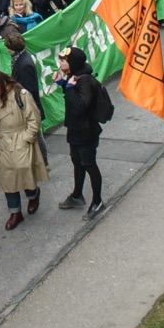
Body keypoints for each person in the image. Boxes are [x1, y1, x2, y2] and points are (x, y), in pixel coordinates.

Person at [0, 71, 46, 231]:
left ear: (3, 83)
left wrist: (26, 139)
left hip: (20, 137)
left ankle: (33, 194)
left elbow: (34, 118)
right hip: (4, 141)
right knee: (7, 178)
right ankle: (15, 212)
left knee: (24, 172)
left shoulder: (21, 94)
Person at [55, 47, 106, 221]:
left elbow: (80, 106)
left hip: (86, 131)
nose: (60, 63)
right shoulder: (73, 76)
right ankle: (77, 195)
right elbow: (73, 98)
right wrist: (63, 84)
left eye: (63, 60)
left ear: (73, 63)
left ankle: (97, 201)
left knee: (89, 164)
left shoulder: (86, 81)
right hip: (75, 130)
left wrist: (68, 88)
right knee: (77, 162)